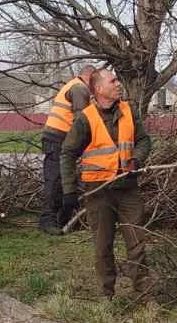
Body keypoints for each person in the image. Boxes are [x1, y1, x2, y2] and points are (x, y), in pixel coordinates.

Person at [60, 67, 152, 301]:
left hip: (128, 188)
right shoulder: (86, 118)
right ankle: (106, 295)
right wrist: (69, 191)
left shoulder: (129, 111)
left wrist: (136, 159)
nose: (118, 84)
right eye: (113, 81)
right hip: (98, 191)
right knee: (103, 245)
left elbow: (143, 140)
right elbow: (67, 153)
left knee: (137, 242)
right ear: (99, 89)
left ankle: (144, 294)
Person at [38, 65, 96, 234]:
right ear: (90, 77)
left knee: (62, 179)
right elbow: (81, 121)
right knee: (55, 180)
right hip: (58, 138)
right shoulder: (79, 89)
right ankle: (48, 220)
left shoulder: (74, 85)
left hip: (58, 138)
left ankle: (60, 218)